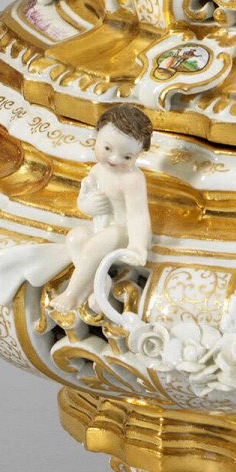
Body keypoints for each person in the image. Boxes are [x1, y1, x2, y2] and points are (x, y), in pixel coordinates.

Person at [50, 105, 153, 315]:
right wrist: (88, 205)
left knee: (94, 245)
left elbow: (138, 215)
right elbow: (84, 200)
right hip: (101, 227)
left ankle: (72, 294)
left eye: (127, 157)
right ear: (96, 137)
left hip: (123, 231)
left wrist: (137, 245)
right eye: (107, 149)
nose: (114, 159)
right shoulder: (97, 171)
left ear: (139, 154)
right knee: (75, 238)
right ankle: (99, 282)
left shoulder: (132, 179)